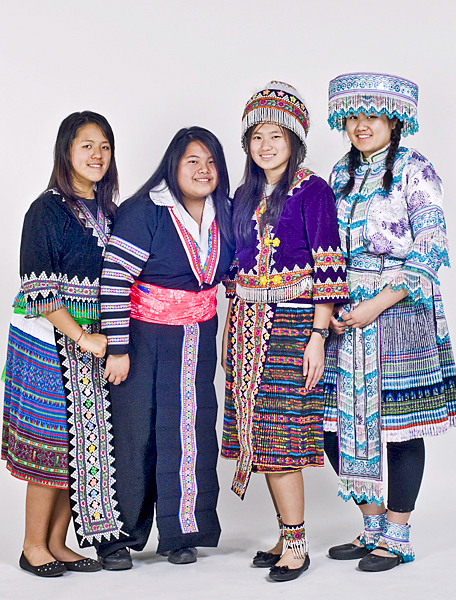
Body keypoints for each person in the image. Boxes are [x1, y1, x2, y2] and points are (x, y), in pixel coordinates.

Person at [324, 72, 456, 572]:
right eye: (354, 117)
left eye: (372, 116)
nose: (362, 126)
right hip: (344, 310)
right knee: (334, 424)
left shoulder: (414, 168)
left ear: (395, 119)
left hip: (399, 309)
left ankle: (399, 534)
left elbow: (432, 246)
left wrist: (377, 303)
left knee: (401, 424)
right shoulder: (341, 171)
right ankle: (372, 524)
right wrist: (334, 305)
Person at [221, 81, 348, 582]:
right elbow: (234, 267)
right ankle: (284, 532)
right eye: (257, 136)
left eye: (276, 134)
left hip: (294, 324)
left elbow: (328, 263)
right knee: (258, 430)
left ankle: (296, 544)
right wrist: (233, 330)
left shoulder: (313, 190)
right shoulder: (243, 194)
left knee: (282, 435)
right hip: (248, 325)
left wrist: (319, 334)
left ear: (294, 139)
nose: (266, 145)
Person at [95, 126, 234, 570]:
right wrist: (117, 348)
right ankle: (117, 538)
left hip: (197, 337)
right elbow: (115, 281)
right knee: (136, 432)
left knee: (189, 431)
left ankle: (180, 533)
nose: (203, 169)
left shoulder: (225, 212)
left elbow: (232, 273)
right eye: (192, 160)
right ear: (172, 165)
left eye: (211, 161)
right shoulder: (145, 211)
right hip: (141, 337)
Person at [2, 111, 125, 577]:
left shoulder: (108, 211)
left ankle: (58, 541)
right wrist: (81, 335)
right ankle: (33, 545)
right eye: (86, 145)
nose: (96, 155)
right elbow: (37, 291)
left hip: (91, 345)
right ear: (66, 152)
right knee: (51, 442)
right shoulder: (47, 209)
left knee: (77, 447)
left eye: (104, 146)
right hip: (48, 341)